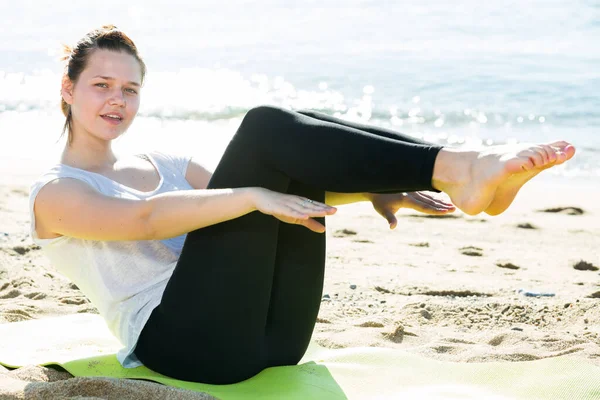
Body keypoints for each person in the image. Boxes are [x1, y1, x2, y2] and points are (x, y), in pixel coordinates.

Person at [28, 25, 575, 385]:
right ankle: (460, 167)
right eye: (102, 85)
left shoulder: (166, 162)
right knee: (264, 127)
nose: (118, 100)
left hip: (273, 337)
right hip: (185, 347)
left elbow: (273, 193)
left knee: (290, 135)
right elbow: (143, 219)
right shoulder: (57, 192)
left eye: (130, 89)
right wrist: (250, 196)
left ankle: (454, 168)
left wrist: (372, 189)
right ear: (69, 89)